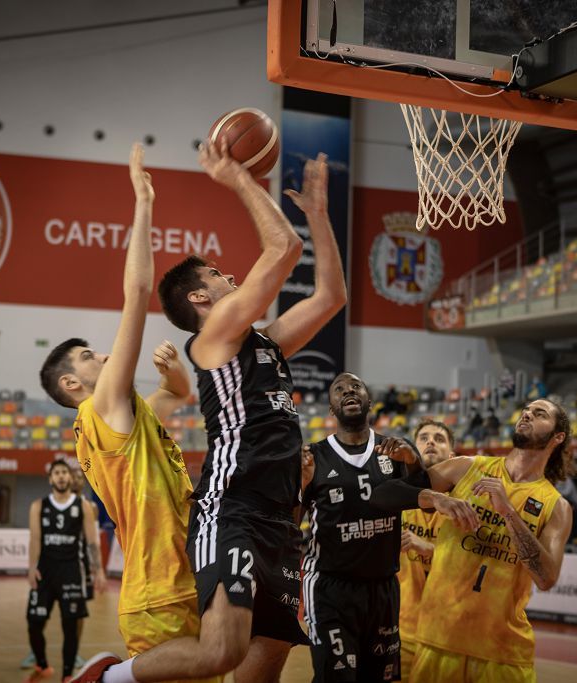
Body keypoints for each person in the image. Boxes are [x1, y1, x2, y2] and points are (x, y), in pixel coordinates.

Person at [80, 145, 346, 682]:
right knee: (220, 651)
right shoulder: (215, 338)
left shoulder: (264, 341)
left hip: (282, 519)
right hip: (234, 509)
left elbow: (331, 296)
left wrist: (319, 216)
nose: (233, 279)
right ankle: (108, 678)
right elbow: (283, 249)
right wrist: (236, 178)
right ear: (203, 298)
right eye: (222, 275)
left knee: (262, 667)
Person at [41, 145, 218, 683]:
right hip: (160, 588)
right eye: (90, 356)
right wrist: (143, 203)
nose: (104, 354)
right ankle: (109, 679)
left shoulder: (121, 420)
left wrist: (173, 379)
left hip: (178, 577)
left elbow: (177, 398)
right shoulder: (102, 406)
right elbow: (138, 292)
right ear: (73, 383)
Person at [371, 398, 575, 683]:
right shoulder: (466, 468)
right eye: (526, 410)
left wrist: (508, 513)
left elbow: (546, 578)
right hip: (439, 639)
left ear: (558, 437)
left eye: (539, 414)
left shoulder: (557, 507)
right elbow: (382, 495)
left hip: (503, 652)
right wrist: (435, 497)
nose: (526, 414)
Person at [299, 372, 417, 682]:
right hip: (331, 588)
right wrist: (301, 484)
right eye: (339, 389)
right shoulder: (314, 457)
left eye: (356, 387)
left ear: (370, 402)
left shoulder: (394, 451)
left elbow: (424, 497)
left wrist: (414, 461)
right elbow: (288, 518)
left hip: (383, 587)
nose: (348, 391)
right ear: (331, 409)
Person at [26, 460, 107, 682]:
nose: (61, 476)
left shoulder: (83, 506)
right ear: (50, 479)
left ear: (70, 478)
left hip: (72, 572)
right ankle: (42, 665)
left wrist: (98, 571)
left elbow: (92, 542)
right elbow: (34, 540)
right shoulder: (38, 506)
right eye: (56, 473)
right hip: (45, 572)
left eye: (64, 473)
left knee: (70, 626)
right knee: (33, 622)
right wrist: (31, 568)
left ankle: (68, 674)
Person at [397, 420, 455, 681]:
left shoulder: (468, 502)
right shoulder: (396, 495)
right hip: (399, 630)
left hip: (449, 636)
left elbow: (480, 564)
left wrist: (429, 549)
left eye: (440, 439)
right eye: (424, 438)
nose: (431, 442)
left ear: (453, 456)